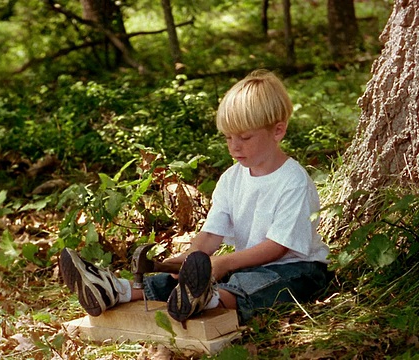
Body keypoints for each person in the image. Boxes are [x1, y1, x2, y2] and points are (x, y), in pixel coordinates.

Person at [59, 69, 331, 324]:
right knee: (181, 278)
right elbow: (212, 234)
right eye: (228, 138)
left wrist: (223, 262)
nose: (234, 146)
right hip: (246, 266)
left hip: (298, 270)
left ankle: (206, 299)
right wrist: (191, 257)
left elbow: (277, 247)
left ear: (278, 131)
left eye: (245, 138)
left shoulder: (293, 181)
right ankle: (115, 290)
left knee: (253, 285)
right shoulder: (231, 178)